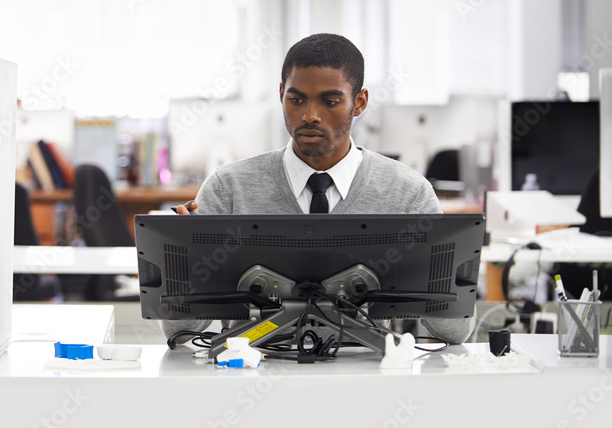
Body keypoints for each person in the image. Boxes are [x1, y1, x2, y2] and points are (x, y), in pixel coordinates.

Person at [171, 33, 474, 345]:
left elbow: (453, 333)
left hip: (370, 373)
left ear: (359, 102)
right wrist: (182, 263)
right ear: (280, 94)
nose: (310, 116)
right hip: (249, 368)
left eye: (329, 102)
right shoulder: (227, 188)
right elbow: (179, 333)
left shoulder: (407, 193)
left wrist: (431, 257)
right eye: (296, 99)